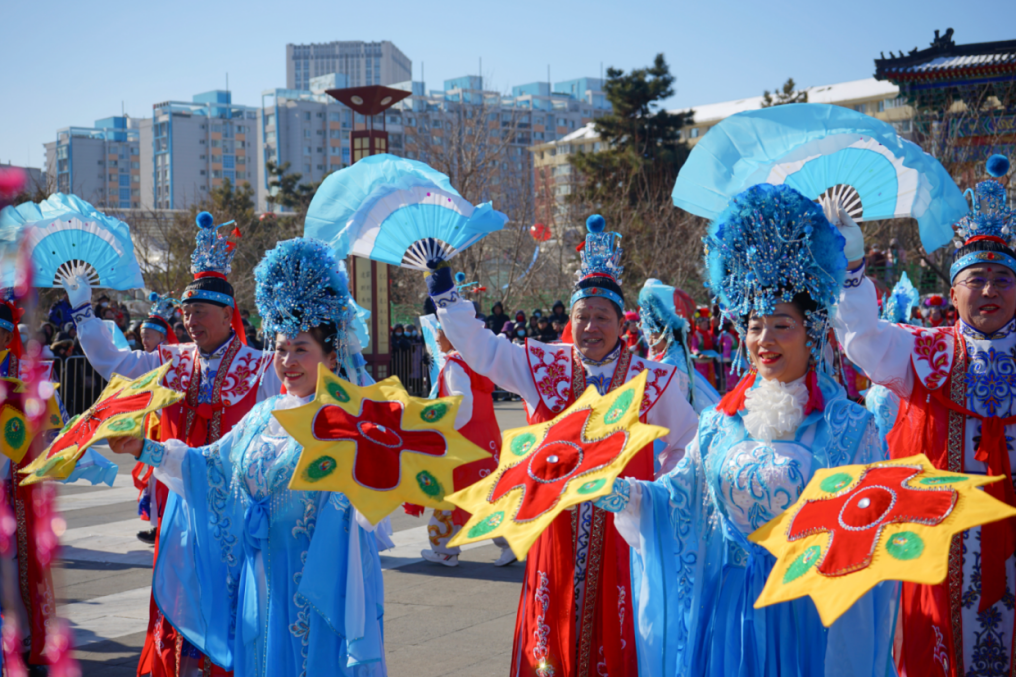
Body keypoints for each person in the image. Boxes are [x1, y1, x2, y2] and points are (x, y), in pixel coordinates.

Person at [598, 183, 896, 676]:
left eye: (782, 325)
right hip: (729, 615)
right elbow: (679, 500)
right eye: (756, 326)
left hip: (805, 612)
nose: (765, 340)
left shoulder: (848, 427)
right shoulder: (720, 425)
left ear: (812, 332)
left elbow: (871, 534)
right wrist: (625, 494)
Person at [426, 214, 698, 677]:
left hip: (623, 538)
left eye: (602, 317)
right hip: (554, 536)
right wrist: (446, 295)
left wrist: (654, 496)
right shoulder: (542, 366)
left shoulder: (651, 380)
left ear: (621, 323)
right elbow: (484, 350)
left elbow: (688, 442)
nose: (591, 326)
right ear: (570, 320)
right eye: (582, 316)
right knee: (551, 639)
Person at [106, 238, 384, 677]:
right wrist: (143, 448)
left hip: (318, 586)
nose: (287, 361)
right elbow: (208, 467)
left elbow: (371, 503)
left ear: (332, 357)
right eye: (281, 349)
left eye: (301, 349)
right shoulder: (264, 415)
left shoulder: (347, 423)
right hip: (260, 582)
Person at [61, 211, 283, 677]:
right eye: (185, 311)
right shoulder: (171, 360)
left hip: (237, 506)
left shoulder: (261, 367)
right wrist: (83, 310)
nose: (190, 320)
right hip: (178, 502)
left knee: (232, 599)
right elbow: (113, 362)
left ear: (228, 314)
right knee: (180, 592)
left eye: (200, 311)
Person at [831, 156, 1016, 677]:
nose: (989, 291)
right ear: (953, 292)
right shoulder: (925, 351)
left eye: (1003, 279)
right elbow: (862, 339)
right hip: (940, 553)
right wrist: (852, 265)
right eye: (976, 278)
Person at [418, 325, 514, 567]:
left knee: (451, 494)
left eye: (440, 332)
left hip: (464, 439)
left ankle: (444, 549)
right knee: (484, 493)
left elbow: (461, 404)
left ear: (452, 334)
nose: (436, 338)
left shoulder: (454, 364)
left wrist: (442, 428)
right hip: (485, 436)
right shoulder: (475, 360)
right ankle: (509, 542)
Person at [637, 279, 720, 423]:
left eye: (653, 335)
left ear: (667, 334)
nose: (649, 342)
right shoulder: (678, 356)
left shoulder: (667, 366)